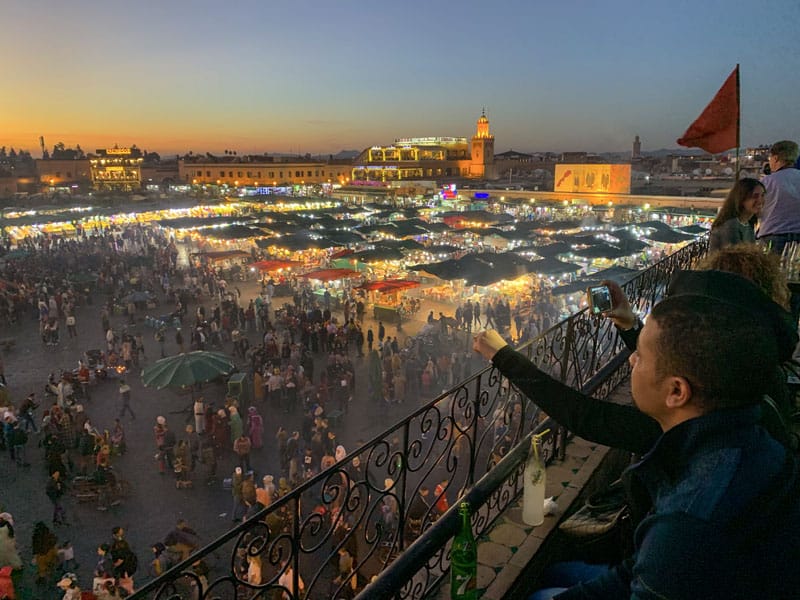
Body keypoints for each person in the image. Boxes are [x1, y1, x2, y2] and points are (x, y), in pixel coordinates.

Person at [475, 278, 800, 598]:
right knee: (556, 576)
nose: (631, 359)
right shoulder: (746, 424)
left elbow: (585, 416)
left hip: (663, 568)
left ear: (676, 391)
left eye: (641, 356)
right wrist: (630, 325)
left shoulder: (688, 520)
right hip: (654, 564)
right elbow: (636, 570)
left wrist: (503, 356)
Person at [758, 139, 800, 322]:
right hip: (798, 242)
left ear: (775, 158)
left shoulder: (767, 182)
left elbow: (757, 209)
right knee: (795, 289)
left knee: (772, 287)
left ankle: (776, 327)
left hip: (772, 239)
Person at [708, 178, 764, 251]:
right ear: (741, 198)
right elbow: (735, 258)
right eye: (755, 196)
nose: (760, 200)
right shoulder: (731, 226)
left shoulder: (748, 224)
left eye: (762, 195)